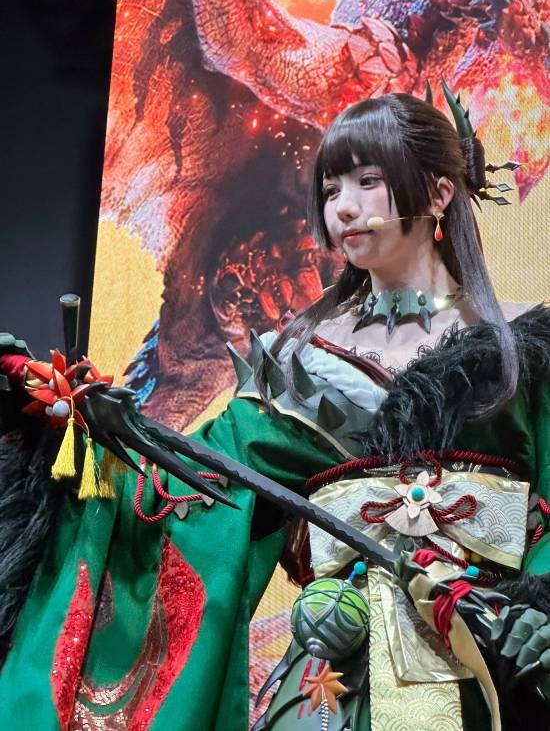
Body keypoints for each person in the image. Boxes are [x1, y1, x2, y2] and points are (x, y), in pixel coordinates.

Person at [0, 89, 549, 731]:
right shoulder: (300, 365)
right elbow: (182, 493)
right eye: (331, 188)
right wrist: (69, 430)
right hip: (334, 680)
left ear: (438, 193)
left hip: (495, 658)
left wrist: (539, 610)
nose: (342, 207)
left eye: (368, 182)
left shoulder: (522, 350)